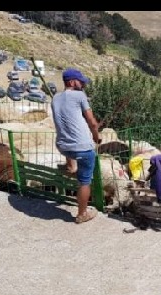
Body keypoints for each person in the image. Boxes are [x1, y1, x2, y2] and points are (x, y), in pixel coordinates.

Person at [51, 68, 101, 224]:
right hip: (81, 148)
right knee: (84, 181)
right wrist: (96, 136)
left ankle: (71, 166)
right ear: (72, 82)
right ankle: (82, 214)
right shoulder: (80, 95)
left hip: (63, 146)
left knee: (70, 144)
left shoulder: (55, 97)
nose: (83, 85)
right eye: (81, 82)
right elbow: (92, 122)